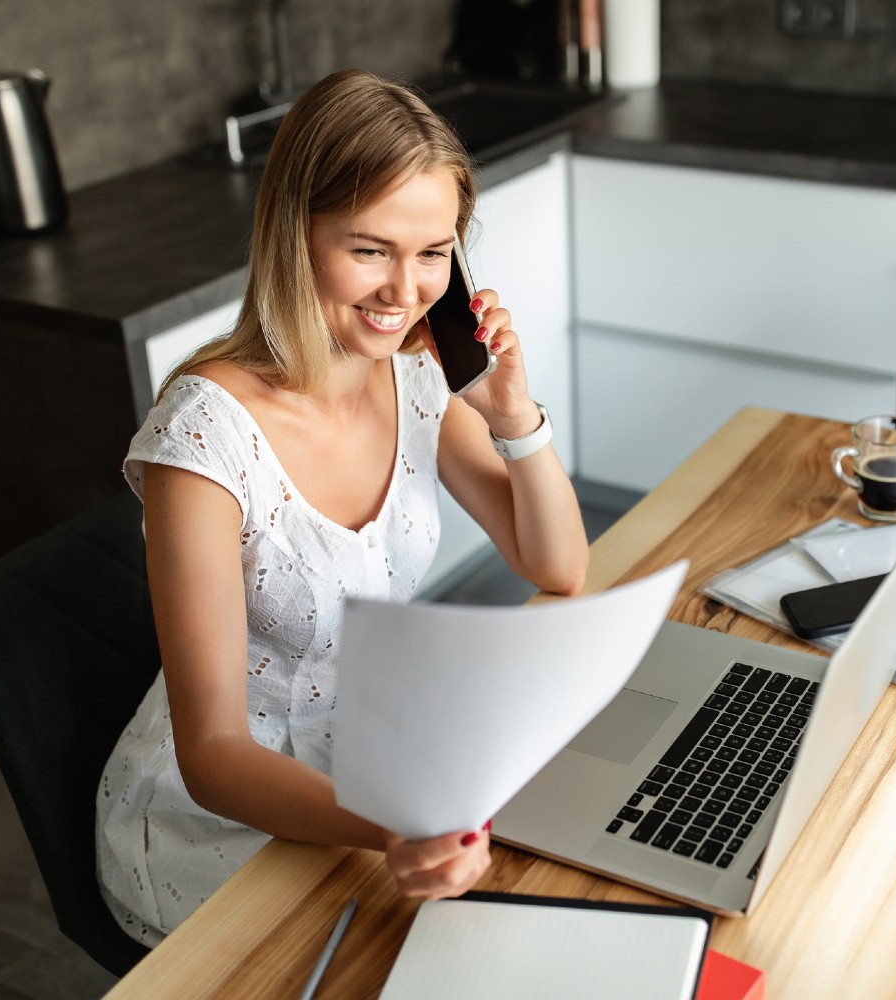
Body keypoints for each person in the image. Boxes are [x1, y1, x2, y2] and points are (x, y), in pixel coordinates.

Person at [96, 68, 589, 946]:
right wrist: (392, 827)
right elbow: (212, 757)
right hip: (218, 811)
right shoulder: (202, 440)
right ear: (294, 234)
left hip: (369, 747)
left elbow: (559, 564)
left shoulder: (414, 376)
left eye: (434, 252)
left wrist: (515, 417)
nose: (406, 292)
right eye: (370, 250)